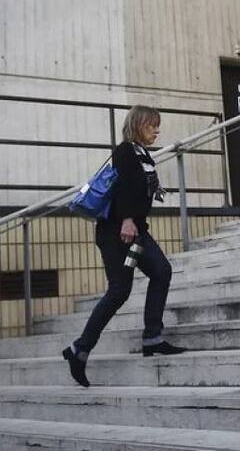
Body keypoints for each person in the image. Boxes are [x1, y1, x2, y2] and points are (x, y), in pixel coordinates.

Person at [63, 106, 185, 387]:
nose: (157, 130)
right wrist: (128, 219)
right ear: (137, 125)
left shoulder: (143, 155)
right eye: (152, 125)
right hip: (117, 233)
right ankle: (79, 350)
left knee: (161, 271)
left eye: (158, 125)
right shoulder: (125, 151)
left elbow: (140, 188)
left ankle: (153, 337)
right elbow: (121, 189)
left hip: (136, 234)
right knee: (120, 289)